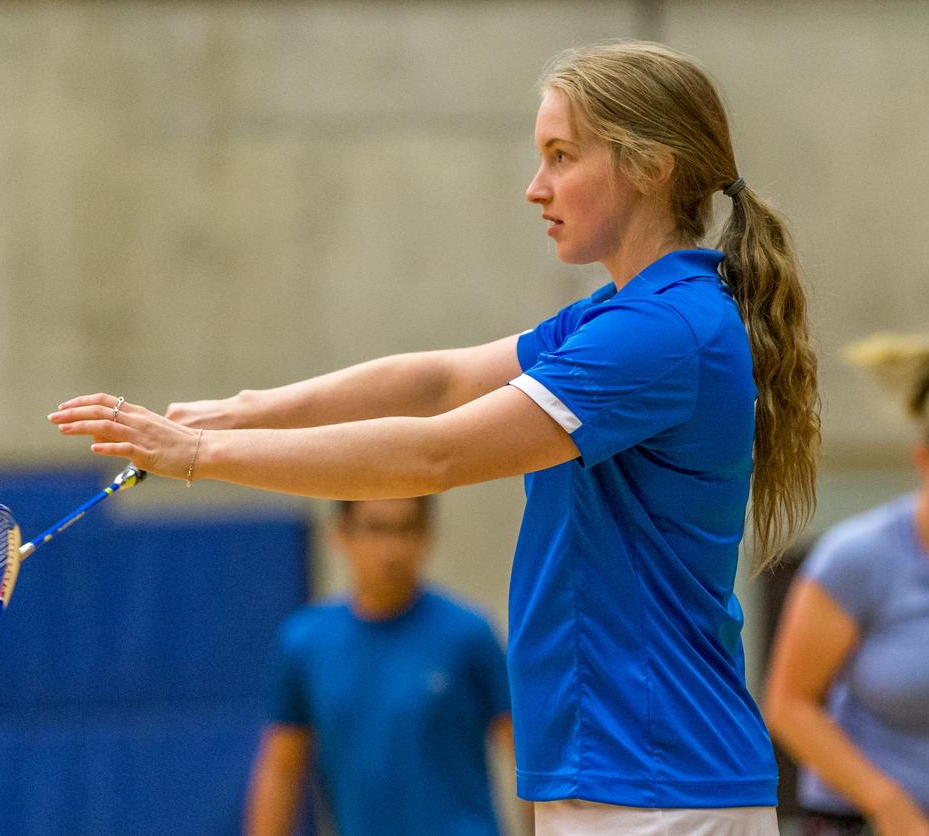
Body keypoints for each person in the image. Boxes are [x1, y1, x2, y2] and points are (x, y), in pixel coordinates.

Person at [49, 40, 820, 834]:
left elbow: (436, 452)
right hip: (626, 780)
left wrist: (202, 457)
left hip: (663, 786)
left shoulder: (661, 332)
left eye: (561, 156)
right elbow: (441, 380)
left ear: (651, 166)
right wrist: (248, 408)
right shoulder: (616, 317)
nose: (536, 187)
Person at [243, 496, 513, 836]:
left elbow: (526, 755)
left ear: (426, 534)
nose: (391, 549)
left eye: (405, 529)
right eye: (376, 529)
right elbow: (282, 767)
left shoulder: (469, 635)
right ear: (341, 533)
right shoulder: (304, 643)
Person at [764, 335, 929, 836]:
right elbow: (789, 704)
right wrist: (887, 804)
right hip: (860, 822)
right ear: (922, 459)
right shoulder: (861, 556)